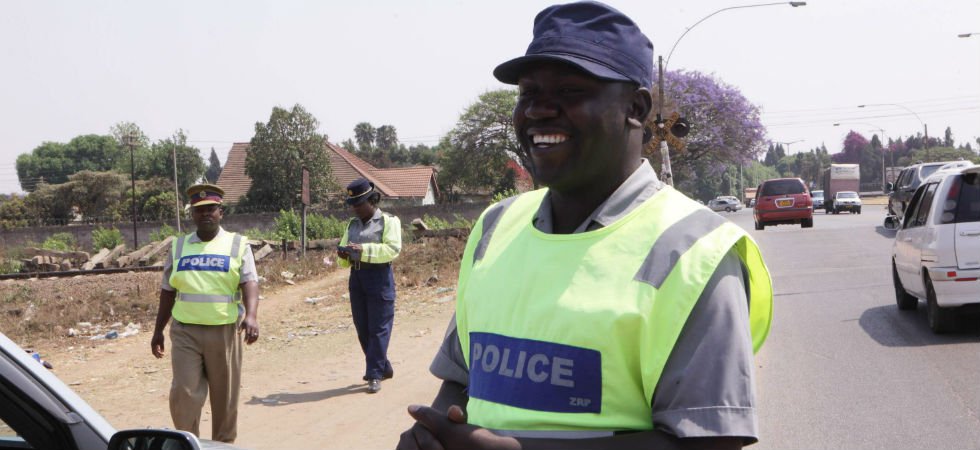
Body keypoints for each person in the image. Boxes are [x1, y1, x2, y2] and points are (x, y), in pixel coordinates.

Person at [397, 2, 773, 449]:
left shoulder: (695, 251)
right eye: (527, 93)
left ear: (636, 107)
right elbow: (462, 382)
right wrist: (434, 433)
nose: (537, 111)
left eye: (569, 91)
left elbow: (709, 443)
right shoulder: (496, 226)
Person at [150, 183, 259, 444]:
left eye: (211, 209)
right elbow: (167, 291)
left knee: (225, 397)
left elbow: (250, 282)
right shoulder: (178, 247)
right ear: (192, 214)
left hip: (224, 329)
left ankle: (222, 446)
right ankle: (188, 444)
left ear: (221, 212)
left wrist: (252, 316)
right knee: (184, 394)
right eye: (199, 210)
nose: (205, 214)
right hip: (186, 330)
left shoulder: (237, 245)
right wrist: (158, 330)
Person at [337, 178, 402, 394]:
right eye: (353, 204)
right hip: (357, 277)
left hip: (379, 277)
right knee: (362, 327)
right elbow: (344, 253)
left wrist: (364, 250)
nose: (355, 208)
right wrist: (343, 253)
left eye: (359, 203)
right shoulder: (352, 224)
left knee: (378, 328)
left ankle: (374, 374)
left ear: (372, 200)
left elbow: (392, 249)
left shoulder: (389, 222)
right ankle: (384, 367)